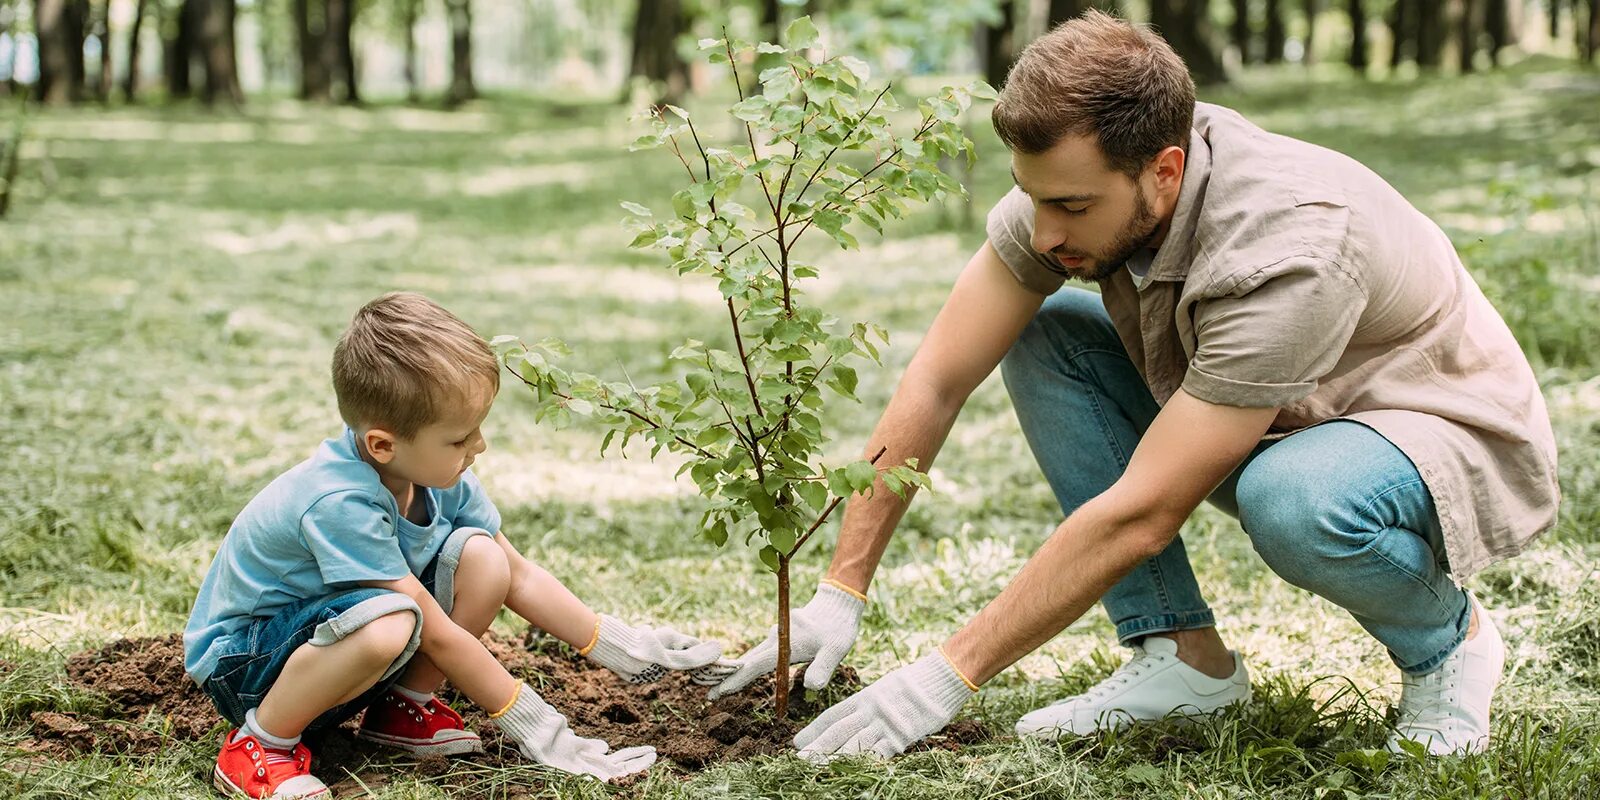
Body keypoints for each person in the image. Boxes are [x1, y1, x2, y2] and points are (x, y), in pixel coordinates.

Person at [711, 11, 1558, 760]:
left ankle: (1449, 645)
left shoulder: (1289, 248)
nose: (1045, 234)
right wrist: (840, 588)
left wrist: (944, 675)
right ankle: (1183, 661)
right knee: (1045, 337)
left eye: (1072, 208)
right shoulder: (1069, 189)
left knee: (1291, 498)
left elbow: (1147, 511)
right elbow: (938, 376)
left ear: (1163, 169)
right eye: (1030, 198)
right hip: (1276, 407)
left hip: (1428, 429)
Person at [184, 292, 727, 799]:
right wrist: (540, 728)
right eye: (460, 437)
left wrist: (621, 648)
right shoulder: (338, 501)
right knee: (391, 621)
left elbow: (519, 575)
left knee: (484, 560)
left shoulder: (435, 474)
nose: (479, 446)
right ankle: (261, 744)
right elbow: (436, 633)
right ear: (382, 443)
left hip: (329, 651)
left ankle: (401, 709)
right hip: (248, 667)